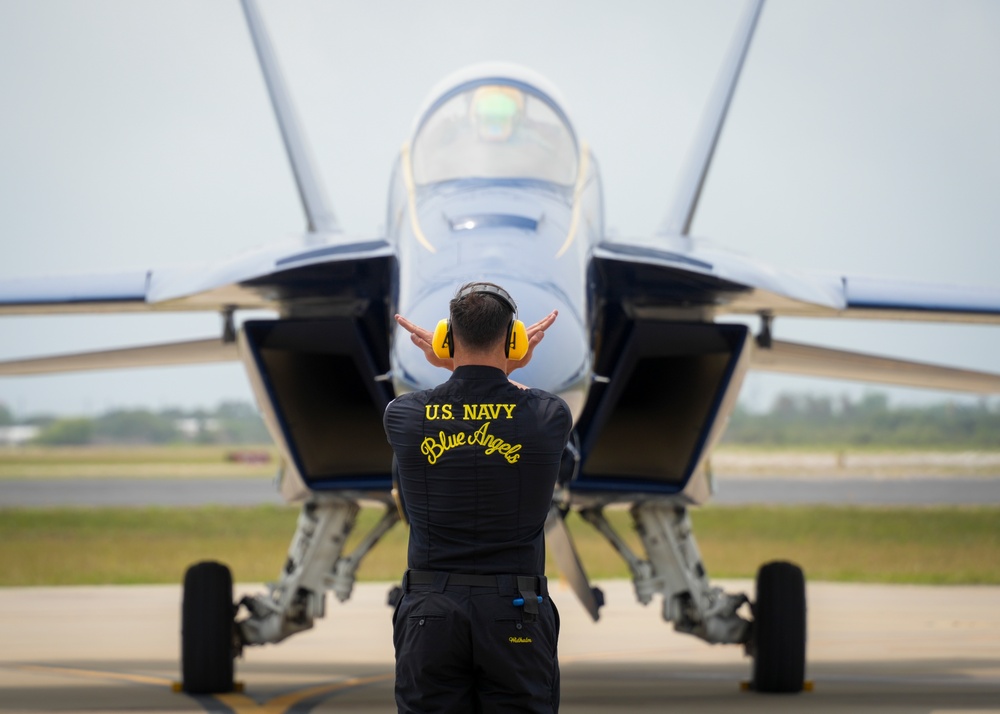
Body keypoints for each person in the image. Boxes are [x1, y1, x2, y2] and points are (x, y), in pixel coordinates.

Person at [384, 282, 572, 714]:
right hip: (515, 612)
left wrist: (447, 363)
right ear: (513, 340)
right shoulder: (548, 415)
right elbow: (518, 401)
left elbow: (448, 402)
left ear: (447, 337)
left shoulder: (405, 416)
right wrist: (509, 366)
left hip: (430, 613)